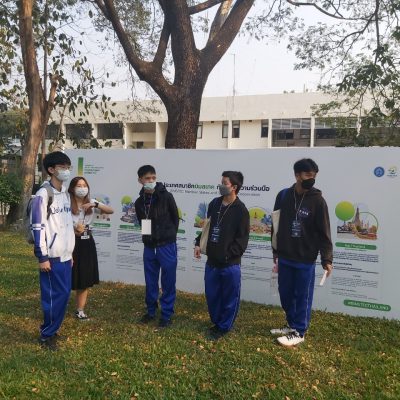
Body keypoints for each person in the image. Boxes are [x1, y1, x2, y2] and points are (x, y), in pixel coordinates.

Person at [271, 158, 333, 347]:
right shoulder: (283, 196)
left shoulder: (318, 201)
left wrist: (327, 259)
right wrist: (275, 249)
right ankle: (291, 324)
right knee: (285, 294)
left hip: (305, 258)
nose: (311, 179)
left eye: (314, 175)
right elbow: (275, 224)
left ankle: (299, 331)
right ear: (297, 175)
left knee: (302, 297)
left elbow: (324, 232)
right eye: (307, 175)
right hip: (285, 255)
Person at [194, 171, 250, 340]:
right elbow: (207, 228)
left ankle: (224, 326)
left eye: (224, 183)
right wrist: (198, 243)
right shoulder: (215, 203)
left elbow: (242, 241)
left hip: (229, 264)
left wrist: (227, 256)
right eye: (221, 182)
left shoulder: (241, 210)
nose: (220, 186)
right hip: (211, 262)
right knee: (212, 295)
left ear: (234, 187)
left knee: (229, 298)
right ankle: (216, 322)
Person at [30, 151, 75, 351]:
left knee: (63, 295)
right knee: (51, 297)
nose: (66, 171)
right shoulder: (43, 194)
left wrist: (70, 253)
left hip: (65, 256)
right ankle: (46, 335)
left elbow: (66, 224)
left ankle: (53, 329)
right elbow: (38, 226)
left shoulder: (64, 193)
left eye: (68, 167)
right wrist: (42, 257)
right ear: (51, 169)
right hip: (51, 257)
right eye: (62, 167)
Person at [134, 165, 179, 328]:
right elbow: (143, 222)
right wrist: (148, 239)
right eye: (147, 178)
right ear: (140, 180)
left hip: (166, 246)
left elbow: (175, 219)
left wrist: (168, 236)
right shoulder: (139, 202)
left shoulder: (166, 197)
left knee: (168, 281)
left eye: (153, 177)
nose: (151, 180)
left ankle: (166, 314)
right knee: (150, 280)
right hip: (149, 247)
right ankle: (151, 311)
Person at [68, 176, 114, 320]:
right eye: (79, 185)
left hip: (87, 242)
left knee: (84, 277)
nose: (82, 188)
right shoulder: (66, 202)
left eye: (84, 185)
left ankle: (80, 310)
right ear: (72, 188)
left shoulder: (91, 202)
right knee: (67, 275)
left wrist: (95, 205)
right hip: (70, 242)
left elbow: (110, 210)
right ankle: (58, 307)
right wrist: (73, 229)